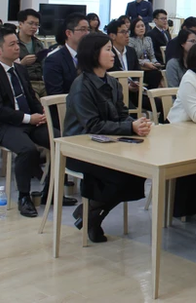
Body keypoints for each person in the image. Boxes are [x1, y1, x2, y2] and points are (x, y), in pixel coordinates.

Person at [0, 26, 75, 218]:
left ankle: (52, 190)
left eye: (17, 43)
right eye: (12, 44)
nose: (17, 48)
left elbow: (30, 97)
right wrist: (29, 118)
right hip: (3, 126)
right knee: (27, 149)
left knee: (58, 139)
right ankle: (24, 196)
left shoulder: (20, 70)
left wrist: (42, 114)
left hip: (27, 121)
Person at [64, 33, 151, 243]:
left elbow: (121, 114)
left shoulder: (112, 82)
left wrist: (136, 124)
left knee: (136, 171)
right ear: (93, 54)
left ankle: (90, 213)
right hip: (80, 148)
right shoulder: (81, 86)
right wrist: (128, 126)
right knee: (120, 175)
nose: (113, 54)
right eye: (107, 50)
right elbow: (92, 125)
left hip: (108, 144)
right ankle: (92, 215)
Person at [43, 13, 89, 96]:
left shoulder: (90, 56)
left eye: (88, 30)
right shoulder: (54, 60)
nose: (87, 33)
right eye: (82, 29)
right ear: (69, 33)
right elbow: (55, 94)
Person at [16, 9, 47, 97]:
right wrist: (22, 63)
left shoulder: (39, 44)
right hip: (25, 82)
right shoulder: (13, 43)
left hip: (42, 82)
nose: (34, 27)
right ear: (21, 24)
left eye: (36, 25)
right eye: (31, 23)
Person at [128, 18, 162, 89]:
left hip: (149, 66)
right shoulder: (130, 41)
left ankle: (151, 93)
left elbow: (152, 56)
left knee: (158, 72)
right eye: (138, 27)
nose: (141, 28)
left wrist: (155, 63)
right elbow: (133, 58)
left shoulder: (148, 39)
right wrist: (144, 63)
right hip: (138, 67)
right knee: (154, 75)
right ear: (133, 28)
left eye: (142, 26)